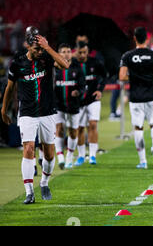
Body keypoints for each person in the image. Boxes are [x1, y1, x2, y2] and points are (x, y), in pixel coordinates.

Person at [1, 26, 70, 204]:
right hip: (27, 113)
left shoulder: (47, 57)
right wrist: (3, 109)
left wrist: (47, 48)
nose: (39, 52)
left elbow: (65, 64)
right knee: (29, 148)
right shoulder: (17, 64)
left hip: (47, 112)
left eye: (41, 48)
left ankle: (44, 182)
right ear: (28, 46)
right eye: (36, 49)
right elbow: (9, 88)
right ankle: (29, 192)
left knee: (49, 154)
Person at [119, 27, 153, 169]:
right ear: (147, 39)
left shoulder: (127, 56)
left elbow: (122, 76)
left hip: (135, 98)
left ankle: (143, 161)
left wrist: (134, 76)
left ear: (134, 38)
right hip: (152, 96)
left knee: (138, 128)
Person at [73, 41, 106, 166]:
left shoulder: (95, 62)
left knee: (92, 125)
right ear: (76, 51)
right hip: (79, 102)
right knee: (80, 128)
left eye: (84, 52)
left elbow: (104, 76)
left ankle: (92, 155)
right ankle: (81, 156)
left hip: (93, 99)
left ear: (88, 52)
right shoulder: (73, 64)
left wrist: (100, 89)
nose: (82, 55)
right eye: (80, 52)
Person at [54, 43, 85, 169]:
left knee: (73, 132)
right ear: (59, 54)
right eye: (63, 51)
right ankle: (60, 156)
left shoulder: (77, 68)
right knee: (59, 129)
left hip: (73, 104)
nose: (66, 53)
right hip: (58, 104)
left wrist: (78, 91)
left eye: (68, 51)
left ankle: (69, 156)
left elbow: (83, 86)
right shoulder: (54, 69)